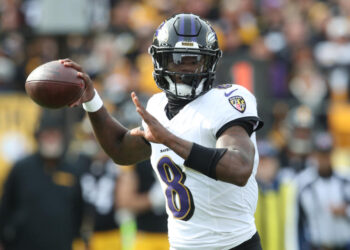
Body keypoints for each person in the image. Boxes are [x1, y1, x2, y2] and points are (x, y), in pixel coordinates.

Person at [61, 13, 264, 250]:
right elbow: (120, 150)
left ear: (211, 62)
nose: (185, 69)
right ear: (159, 61)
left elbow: (239, 167)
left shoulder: (229, 99)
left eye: (194, 60)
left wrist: (168, 138)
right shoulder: (157, 106)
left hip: (233, 245)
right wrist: (92, 100)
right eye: (176, 59)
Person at [0, 110, 85, 250]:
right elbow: (5, 206)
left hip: (60, 244)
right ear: (38, 137)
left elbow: (78, 211)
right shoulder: (21, 168)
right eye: (47, 134)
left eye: (55, 134)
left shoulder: (72, 171)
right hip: (22, 244)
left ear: (62, 137)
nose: (51, 139)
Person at [297, 131, 350, 250]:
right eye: (321, 155)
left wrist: (345, 210)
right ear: (314, 155)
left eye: (327, 154)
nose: (325, 159)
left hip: (345, 245)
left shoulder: (345, 179)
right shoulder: (304, 182)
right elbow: (298, 221)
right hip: (317, 245)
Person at [116, 159, 168, 250]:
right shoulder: (136, 158)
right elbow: (124, 201)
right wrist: (153, 199)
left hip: (181, 236)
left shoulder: (180, 152)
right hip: (147, 237)